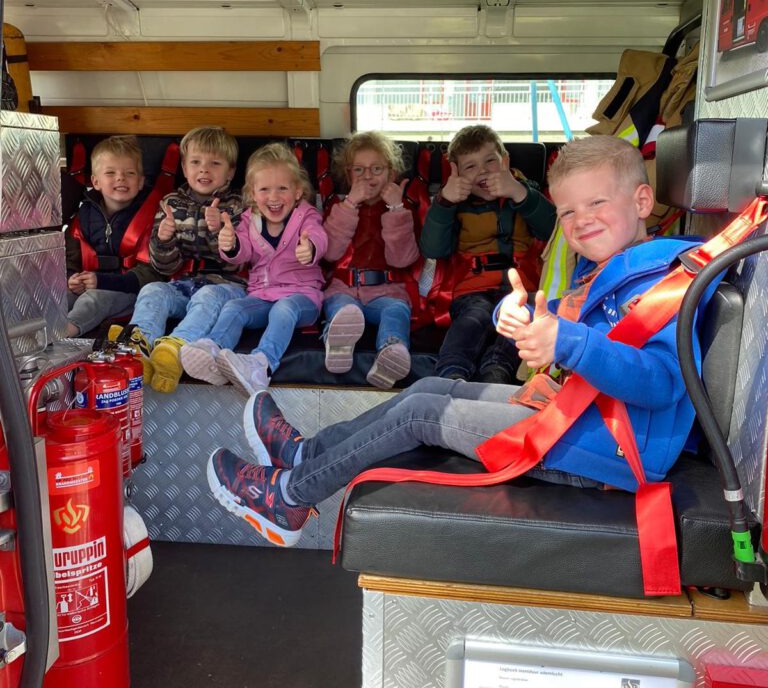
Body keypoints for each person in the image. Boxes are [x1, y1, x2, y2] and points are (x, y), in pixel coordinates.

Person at [207, 135, 711, 547]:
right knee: (428, 389)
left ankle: (289, 497)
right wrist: (515, 314)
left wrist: (567, 343)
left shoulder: (664, 285)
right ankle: (305, 454)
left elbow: (663, 383)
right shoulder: (616, 269)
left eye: (597, 203)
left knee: (422, 415)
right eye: (567, 213)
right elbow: (568, 317)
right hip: (576, 415)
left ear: (642, 201)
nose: (582, 221)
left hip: (612, 451)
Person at [179, 143, 328, 396]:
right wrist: (231, 243)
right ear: (252, 194)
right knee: (234, 308)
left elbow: (318, 234)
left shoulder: (307, 215)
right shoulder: (250, 219)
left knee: (284, 308)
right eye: (265, 189)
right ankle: (212, 350)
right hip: (261, 295)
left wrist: (311, 248)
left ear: (298, 191)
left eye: (282, 188)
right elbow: (243, 251)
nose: (273, 197)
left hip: (302, 297)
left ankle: (261, 364)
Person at [108, 126, 245, 394]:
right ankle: (139, 346)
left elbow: (235, 262)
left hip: (226, 286)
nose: (204, 170)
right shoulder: (171, 203)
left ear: (230, 172)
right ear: (184, 167)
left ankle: (176, 347)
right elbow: (164, 266)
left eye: (215, 164)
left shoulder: (238, 206)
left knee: (207, 296)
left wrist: (218, 231)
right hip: (183, 283)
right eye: (196, 162)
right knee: (153, 289)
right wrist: (164, 239)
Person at [420, 124, 556, 384]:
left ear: (505, 161)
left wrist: (519, 192)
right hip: (473, 288)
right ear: (456, 172)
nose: (482, 171)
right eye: (470, 167)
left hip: (521, 287)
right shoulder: (454, 204)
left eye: (490, 161)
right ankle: (450, 371)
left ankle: (496, 369)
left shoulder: (526, 192)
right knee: (475, 317)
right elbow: (433, 249)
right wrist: (445, 201)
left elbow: (554, 231)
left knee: (521, 317)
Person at [321, 131, 420, 389]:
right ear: (348, 175)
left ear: (391, 174)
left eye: (376, 169)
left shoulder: (402, 209)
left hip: (387, 290)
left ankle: (391, 352)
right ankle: (338, 344)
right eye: (359, 170)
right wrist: (350, 204)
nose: (368, 176)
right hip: (344, 287)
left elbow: (402, 260)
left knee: (396, 311)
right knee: (342, 308)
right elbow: (330, 252)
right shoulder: (338, 207)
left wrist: (396, 209)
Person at [65, 135, 162, 338]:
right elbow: (70, 259)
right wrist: (72, 278)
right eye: (110, 172)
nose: (120, 178)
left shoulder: (152, 217)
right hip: (89, 283)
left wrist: (103, 281)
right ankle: (29, 336)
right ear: (96, 181)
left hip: (130, 291)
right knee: (62, 296)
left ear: (141, 182)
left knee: (94, 299)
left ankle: (64, 335)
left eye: (129, 173)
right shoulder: (84, 215)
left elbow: (152, 273)